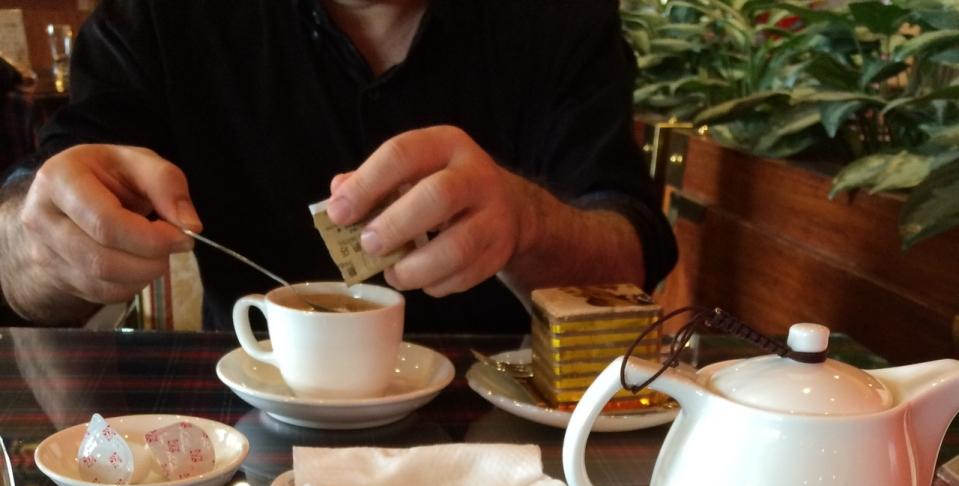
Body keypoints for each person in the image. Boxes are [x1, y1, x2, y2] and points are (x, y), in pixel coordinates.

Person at [0, 0, 677, 334]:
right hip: (251, 437)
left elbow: (631, 254)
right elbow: (18, 255)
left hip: (506, 439)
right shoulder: (161, 17)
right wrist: (41, 247)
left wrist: (528, 226)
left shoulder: (559, 18)